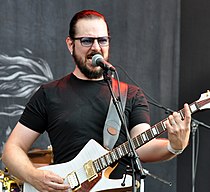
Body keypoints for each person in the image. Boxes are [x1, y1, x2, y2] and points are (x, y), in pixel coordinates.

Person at [2, 10, 191, 192]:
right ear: (70, 44)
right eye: (86, 40)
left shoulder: (130, 95)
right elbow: (12, 149)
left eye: (102, 40)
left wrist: (173, 146)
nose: (96, 47)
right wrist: (33, 176)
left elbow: (141, 148)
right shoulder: (49, 94)